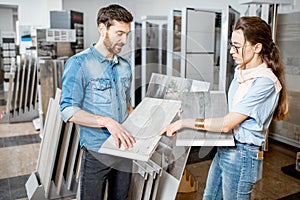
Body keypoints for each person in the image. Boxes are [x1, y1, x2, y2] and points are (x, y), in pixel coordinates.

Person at [160, 16, 288, 199]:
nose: (231, 51)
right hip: (226, 147)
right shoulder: (241, 72)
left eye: (237, 45)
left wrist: (185, 122)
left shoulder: (265, 82)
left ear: (257, 47)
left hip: (242, 155)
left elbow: (227, 123)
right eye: (231, 44)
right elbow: (229, 111)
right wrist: (190, 110)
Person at [60, 4, 135, 200]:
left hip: (125, 149)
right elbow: (68, 110)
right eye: (119, 33)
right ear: (102, 29)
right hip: (97, 151)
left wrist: (154, 120)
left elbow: (127, 106)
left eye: (127, 34)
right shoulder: (79, 64)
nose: (124, 40)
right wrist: (107, 122)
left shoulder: (125, 67)